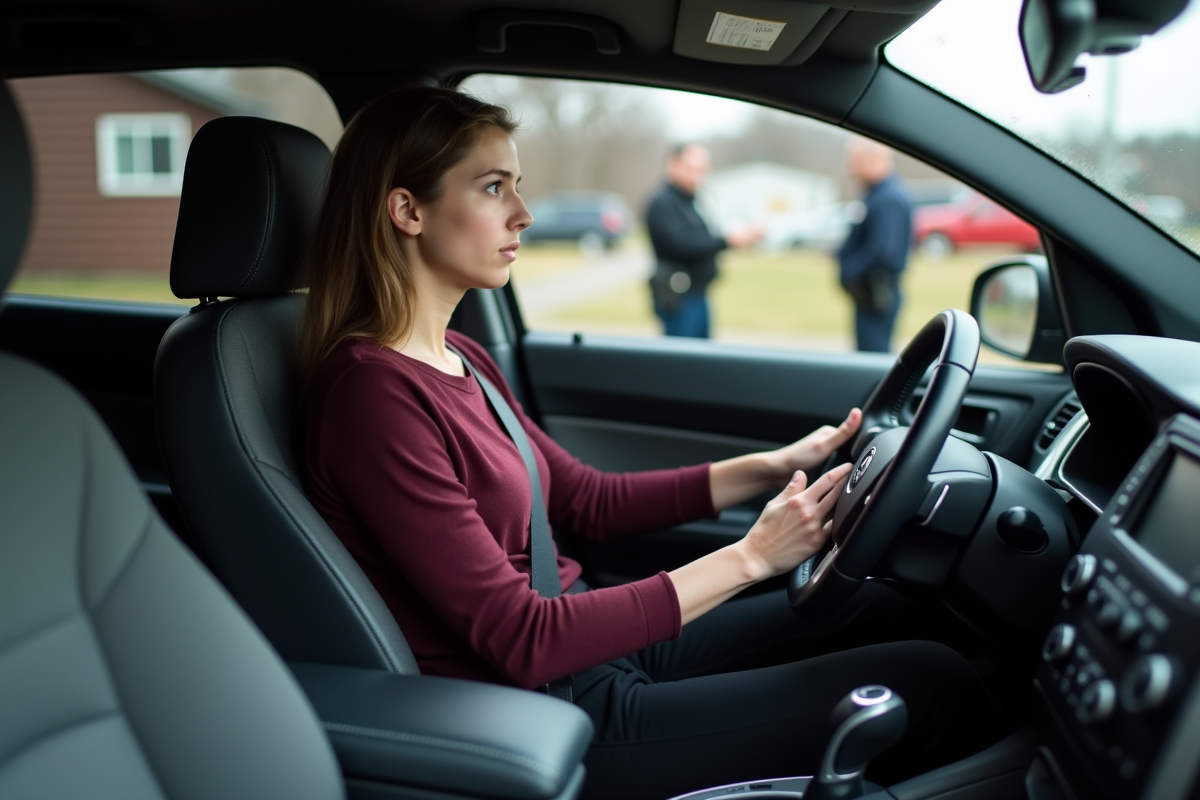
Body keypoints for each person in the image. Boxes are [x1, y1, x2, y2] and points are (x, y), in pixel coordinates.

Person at [299, 87, 1001, 800]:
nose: (524, 214)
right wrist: (752, 556)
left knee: (889, 608)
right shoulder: (374, 398)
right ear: (408, 211)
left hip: (594, 647)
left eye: (517, 186)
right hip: (552, 706)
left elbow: (587, 500)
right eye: (492, 187)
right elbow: (522, 637)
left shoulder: (461, 357)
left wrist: (777, 466)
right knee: (929, 683)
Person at [645, 143, 762, 338]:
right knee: (683, 362)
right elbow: (682, 244)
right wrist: (728, 240)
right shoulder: (663, 203)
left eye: (703, 170)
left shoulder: (691, 202)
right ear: (673, 164)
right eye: (692, 168)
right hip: (679, 298)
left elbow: (705, 238)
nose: (698, 176)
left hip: (699, 295)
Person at [837, 138, 913, 353]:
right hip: (870, 292)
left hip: (878, 292)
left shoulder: (888, 198)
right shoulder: (877, 194)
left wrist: (850, 270)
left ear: (876, 159)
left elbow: (883, 251)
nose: (849, 169)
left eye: (855, 161)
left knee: (873, 358)